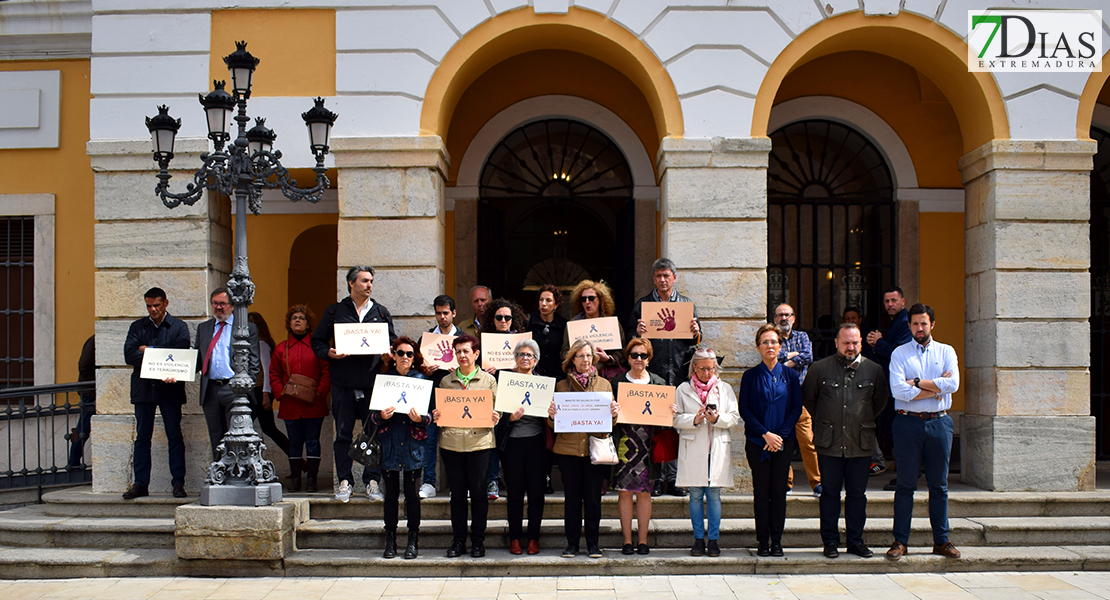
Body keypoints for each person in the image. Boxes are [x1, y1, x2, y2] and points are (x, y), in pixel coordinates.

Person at [311, 265, 397, 503]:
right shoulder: (334, 311)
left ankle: (372, 482)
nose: (369, 285)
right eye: (364, 281)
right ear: (351, 283)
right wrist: (330, 352)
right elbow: (316, 342)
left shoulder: (380, 312)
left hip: (372, 385)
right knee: (343, 435)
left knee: (373, 433)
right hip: (343, 384)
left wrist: (388, 356)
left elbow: (391, 343)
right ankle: (345, 482)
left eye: (371, 281)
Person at [802, 323, 888, 559]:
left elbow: (879, 402)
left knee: (857, 496)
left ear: (861, 343)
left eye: (855, 342)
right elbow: (810, 400)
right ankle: (830, 542)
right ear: (837, 343)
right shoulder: (819, 369)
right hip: (828, 443)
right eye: (846, 342)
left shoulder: (874, 370)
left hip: (860, 443)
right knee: (829, 494)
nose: (851, 347)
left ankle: (855, 542)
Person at [885, 303, 961, 562]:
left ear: (932, 325)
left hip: (940, 424)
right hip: (907, 424)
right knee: (905, 484)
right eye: (915, 324)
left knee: (939, 485)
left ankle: (941, 541)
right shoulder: (899, 354)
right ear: (909, 326)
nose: (919, 328)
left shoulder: (946, 351)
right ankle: (900, 541)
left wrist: (916, 382)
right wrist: (936, 388)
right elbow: (898, 391)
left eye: (924, 323)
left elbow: (953, 384)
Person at [628, 258, 700, 498]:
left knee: (677, 427)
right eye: (658, 276)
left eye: (666, 275)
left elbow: (695, 342)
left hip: (679, 374)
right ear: (653, 278)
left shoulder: (686, 305)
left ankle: (675, 479)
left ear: (674, 278)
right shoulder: (643, 305)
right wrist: (636, 332)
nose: (662, 280)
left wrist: (696, 332)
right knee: (655, 428)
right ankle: (657, 479)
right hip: (653, 375)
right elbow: (630, 339)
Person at [549, 339, 621, 559]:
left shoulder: (604, 385)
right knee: (571, 499)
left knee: (592, 499)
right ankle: (571, 544)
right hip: (568, 451)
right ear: (572, 359)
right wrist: (552, 415)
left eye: (589, 355)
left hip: (594, 451)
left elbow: (611, 424)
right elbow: (554, 425)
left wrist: (614, 413)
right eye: (580, 356)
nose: (586, 360)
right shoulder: (561, 386)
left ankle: (593, 544)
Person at [433, 334, 501, 558]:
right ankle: (459, 540)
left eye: (466, 351)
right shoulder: (446, 381)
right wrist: (437, 415)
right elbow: (441, 411)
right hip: (452, 445)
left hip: (480, 443)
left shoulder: (488, 381)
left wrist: (495, 415)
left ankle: (478, 541)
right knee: (458, 495)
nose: (462, 355)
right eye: (458, 351)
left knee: (479, 493)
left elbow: (497, 409)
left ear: (476, 354)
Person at [739, 323, 803, 557]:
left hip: (783, 443)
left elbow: (796, 408)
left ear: (780, 346)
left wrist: (780, 436)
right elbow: (744, 409)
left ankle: (777, 541)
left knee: (778, 492)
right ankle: (762, 541)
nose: (770, 346)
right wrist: (765, 434)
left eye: (774, 342)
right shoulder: (750, 376)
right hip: (758, 443)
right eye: (765, 342)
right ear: (758, 347)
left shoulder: (790, 375)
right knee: (761, 492)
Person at [122, 287, 190, 499]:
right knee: (142, 437)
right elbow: (129, 355)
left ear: (166, 304)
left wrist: (147, 350)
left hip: (170, 389)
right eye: (149, 306)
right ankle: (141, 484)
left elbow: (180, 353)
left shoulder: (179, 326)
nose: (152, 309)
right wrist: (160, 354)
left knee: (174, 435)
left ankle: (178, 483)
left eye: (156, 305)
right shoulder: (137, 326)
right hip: (144, 390)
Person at [370, 336, 431, 560]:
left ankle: (413, 540)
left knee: (413, 496)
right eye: (401, 353)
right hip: (390, 445)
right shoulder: (384, 380)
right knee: (391, 496)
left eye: (409, 354)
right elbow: (373, 416)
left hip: (413, 446)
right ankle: (391, 539)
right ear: (393, 355)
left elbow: (431, 416)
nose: (405, 357)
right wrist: (381, 415)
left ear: (415, 358)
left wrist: (420, 419)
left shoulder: (422, 381)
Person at [674, 347, 739, 557]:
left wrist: (717, 419)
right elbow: (674, 420)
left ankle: (713, 540)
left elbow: (734, 417)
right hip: (693, 446)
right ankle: (698, 539)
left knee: (713, 494)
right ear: (694, 367)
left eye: (710, 368)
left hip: (716, 446)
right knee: (694, 495)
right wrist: (694, 419)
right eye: (702, 368)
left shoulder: (725, 389)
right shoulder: (683, 389)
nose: (706, 373)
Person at [270, 304, 331, 493]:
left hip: (314, 405)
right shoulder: (281, 348)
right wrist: (280, 393)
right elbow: (274, 374)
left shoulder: (317, 347)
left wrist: (319, 394)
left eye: (301, 318)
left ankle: (312, 480)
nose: (297, 320)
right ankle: (295, 479)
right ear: (289, 323)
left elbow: (326, 373)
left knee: (313, 441)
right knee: (294, 443)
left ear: (308, 323)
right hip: (290, 405)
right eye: (294, 317)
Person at [195, 287, 261, 460]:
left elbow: (254, 362)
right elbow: (197, 359)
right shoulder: (204, 328)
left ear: (232, 306)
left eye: (222, 304)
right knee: (216, 435)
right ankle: (219, 472)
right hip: (210, 390)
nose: (218, 307)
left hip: (234, 388)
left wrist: (246, 386)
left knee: (237, 436)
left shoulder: (246, 328)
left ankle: (239, 473)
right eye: (215, 304)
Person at [498, 339, 547, 555]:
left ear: (535, 361)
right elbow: (497, 417)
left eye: (530, 355)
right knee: (515, 493)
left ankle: (534, 538)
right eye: (522, 354)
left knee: (536, 493)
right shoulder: (506, 382)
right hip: (513, 444)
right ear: (515, 359)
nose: (526, 358)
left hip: (536, 442)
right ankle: (515, 538)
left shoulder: (543, 384)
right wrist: (509, 419)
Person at [479, 297, 527, 499]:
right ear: (493, 319)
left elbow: (535, 367)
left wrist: (521, 369)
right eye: (499, 317)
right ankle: (492, 481)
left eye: (507, 317)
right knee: (493, 439)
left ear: (513, 319)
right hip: (491, 395)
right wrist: (483, 370)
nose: (503, 320)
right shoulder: (484, 341)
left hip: (514, 395)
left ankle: (513, 480)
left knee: (511, 442)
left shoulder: (522, 342)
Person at [774, 303, 821, 498]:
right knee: (782, 443)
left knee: (807, 443)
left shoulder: (802, 337)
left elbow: (808, 356)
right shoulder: (772, 337)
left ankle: (817, 483)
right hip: (778, 401)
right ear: (775, 318)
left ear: (794, 318)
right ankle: (787, 483)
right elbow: (774, 358)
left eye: (787, 315)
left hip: (799, 401)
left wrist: (785, 360)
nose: (783, 318)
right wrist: (791, 357)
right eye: (779, 315)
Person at [868, 286, 912, 478]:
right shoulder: (895, 322)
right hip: (890, 384)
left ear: (903, 301)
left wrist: (879, 342)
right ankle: (905, 470)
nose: (890, 305)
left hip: (899, 386)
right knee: (887, 427)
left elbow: (897, 353)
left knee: (891, 427)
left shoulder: (905, 322)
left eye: (894, 300)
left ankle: (909, 469)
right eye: (887, 301)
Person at [420, 294, 460, 499]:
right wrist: (425, 370)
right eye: (438, 313)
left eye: (446, 313)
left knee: (456, 442)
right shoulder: (427, 339)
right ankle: (428, 482)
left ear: (453, 313)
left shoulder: (463, 339)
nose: (442, 317)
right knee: (429, 441)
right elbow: (418, 370)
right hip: (431, 399)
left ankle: (458, 484)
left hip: (457, 399)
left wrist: (459, 369)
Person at [247, 312, 290, 459]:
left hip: (260, 391)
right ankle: (296, 460)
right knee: (268, 428)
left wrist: (265, 394)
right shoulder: (256, 343)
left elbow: (267, 369)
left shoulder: (261, 344)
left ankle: (296, 459)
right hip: (257, 391)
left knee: (265, 428)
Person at [563, 280, 625, 379]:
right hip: (578, 377)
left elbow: (623, 351)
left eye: (591, 298)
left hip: (606, 377)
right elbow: (564, 351)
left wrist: (608, 359)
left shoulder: (612, 323)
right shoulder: (573, 324)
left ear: (601, 299)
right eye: (583, 299)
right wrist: (577, 359)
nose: (587, 302)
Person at [530, 284, 568, 379]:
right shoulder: (529, 322)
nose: (543, 303)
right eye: (541, 299)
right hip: (535, 375)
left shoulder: (564, 324)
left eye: (548, 300)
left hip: (557, 375)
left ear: (556, 304)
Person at [69, 334, 96, 468]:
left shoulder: (93, 339)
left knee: (82, 429)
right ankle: (73, 463)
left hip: (91, 391)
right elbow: (84, 365)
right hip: (91, 393)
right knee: (82, 430)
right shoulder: (94, 340)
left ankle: (73, 462)